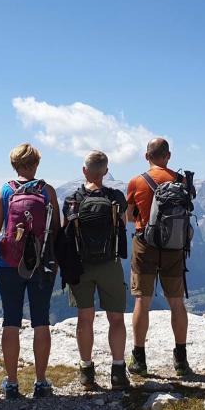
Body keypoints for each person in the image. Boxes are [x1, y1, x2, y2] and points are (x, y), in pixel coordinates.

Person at [0, 143, 60, 399]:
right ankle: (42, 382)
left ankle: (12, 383)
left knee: (10, 322)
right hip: (40, 266)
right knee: (41, 322)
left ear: (14, 165)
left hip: (9, 266)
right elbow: (56, 229)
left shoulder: (5, 190)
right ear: (36, 164)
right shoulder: (47, 191)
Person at [60, 151, 130, 390]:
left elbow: (65, 232)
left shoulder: (72, 199)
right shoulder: (116, 197)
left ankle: (87, 370)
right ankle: (118, 370)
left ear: (84, 170)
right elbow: (125, 222)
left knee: (85, 317)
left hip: (81, 266)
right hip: (110, 264)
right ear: (106, 171)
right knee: (116, 319)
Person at [126, 138, 193, 377]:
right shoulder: (181, 181)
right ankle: (181, 361)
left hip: (145, 244)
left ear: (147, 156)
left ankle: (139, 359)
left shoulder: (136, 181)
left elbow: (128, 217)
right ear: (169, 155)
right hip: (175, 246)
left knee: (141, 301)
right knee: (176, 302)